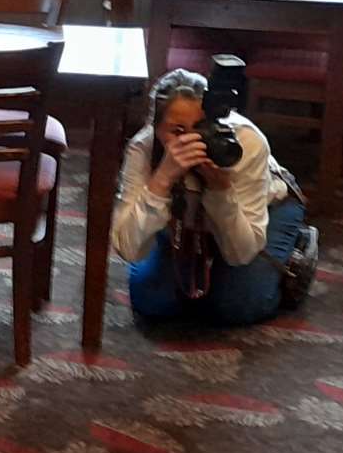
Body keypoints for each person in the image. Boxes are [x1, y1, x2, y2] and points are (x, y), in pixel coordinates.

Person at [110, 68, 309, 325]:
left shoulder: (245, 143)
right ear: (155, 128)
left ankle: (294, 245)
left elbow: (241, 253)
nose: (193, 141)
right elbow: (128, 248)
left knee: (239, 307)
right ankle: (189, 257)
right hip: (184, 220)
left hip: (265, 210)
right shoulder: (144, 147)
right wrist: (161, 181)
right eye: (178, 131)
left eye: (202, 128)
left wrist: (221, 189)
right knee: (153, 302)